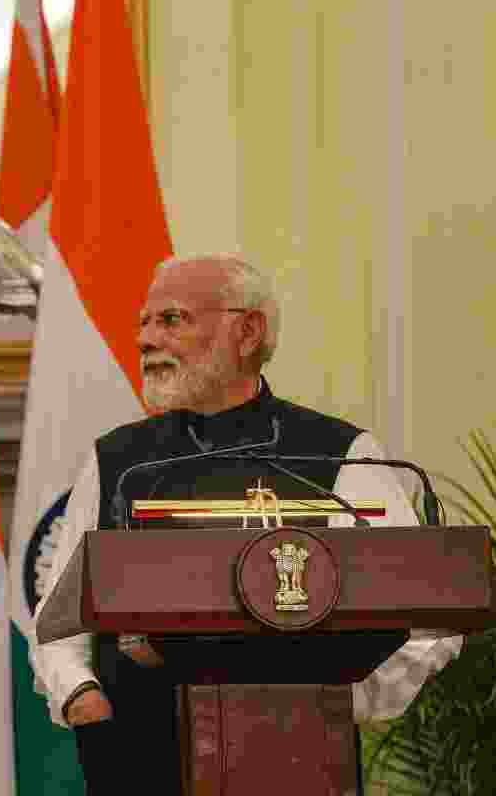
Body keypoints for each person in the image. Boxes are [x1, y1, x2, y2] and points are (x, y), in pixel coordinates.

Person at [32, 253, 463, 795]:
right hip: (135, 761)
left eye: (171, 320)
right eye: (143, 322)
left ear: (246, 331)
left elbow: (423, 613)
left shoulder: (339, 454)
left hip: (296, 759)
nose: (144, 338)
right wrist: (80, 697)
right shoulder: (117, 460)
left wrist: (339, 702)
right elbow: (56, 618)